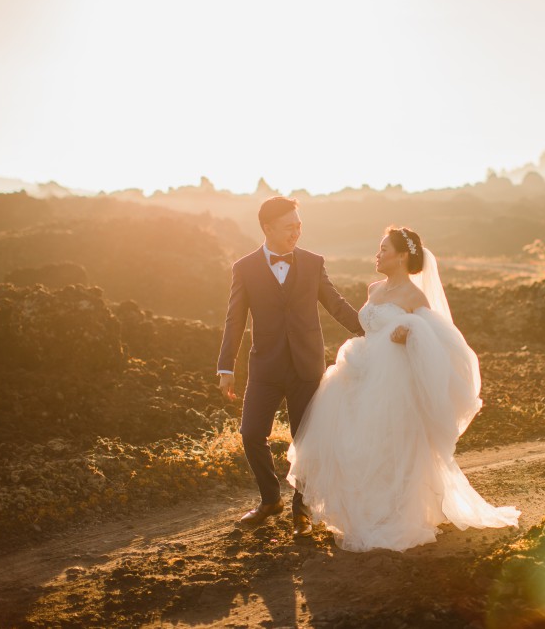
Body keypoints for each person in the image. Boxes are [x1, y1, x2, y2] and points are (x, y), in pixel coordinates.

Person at [287, 227, 520, 552]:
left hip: (394, 382)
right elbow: (368, 325)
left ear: (401, 255)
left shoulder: (415, 298)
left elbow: (442, 340)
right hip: (361, 372)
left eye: (383, 249)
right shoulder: (374, 288)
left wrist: (411, 329)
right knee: (356, 443)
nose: (377, 255)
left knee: (388, 446)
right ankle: (359, 512)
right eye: (378, 249)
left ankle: (388, 514)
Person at [217, 196, 364, 537]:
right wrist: (226, 366)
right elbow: (234, 320)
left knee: (306, 440)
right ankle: (270, 500)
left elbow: (336, 304)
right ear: (267, 228)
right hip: (265, 368)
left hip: (306, 367)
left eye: (299, 226)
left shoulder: (313, 263)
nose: (296, 232)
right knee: (251, 434)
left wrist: (370, 327)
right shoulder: (244, 268)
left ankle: (302, 506)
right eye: (289, 227)